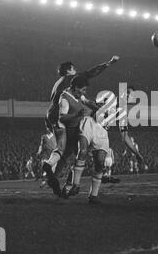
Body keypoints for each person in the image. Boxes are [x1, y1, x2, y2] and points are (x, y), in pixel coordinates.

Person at [42, 56, 120, 194]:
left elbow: (82, 99)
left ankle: (54, 176)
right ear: (69, 70)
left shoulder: (58, 84)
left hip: (51, 115)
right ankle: (62, 178)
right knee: (69, 148)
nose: (76, 71)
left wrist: (93, 106)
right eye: (74, 69)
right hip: (62, 115)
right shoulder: (72, 80)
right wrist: (108, 63)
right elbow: (91, 73)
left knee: (67, 149)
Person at [59, 76, 110, 204]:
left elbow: (88, 102)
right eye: (83, 89)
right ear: (76, 88)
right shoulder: (65, 99)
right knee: (81, 153)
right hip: (81, 126)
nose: (84, 92)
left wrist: (99, 108)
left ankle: (92, 195)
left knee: (99, 163)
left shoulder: (80, 97)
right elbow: (62, 118)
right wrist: (78, 115)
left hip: (99, 131)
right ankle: (72, 186)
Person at [36, 121, 57, 188]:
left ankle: (46, 183)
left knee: (51, 171)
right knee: (45, 169)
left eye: (49, 128)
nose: (47, 129)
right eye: (47, 128)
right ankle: (43, 182)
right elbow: (41, 145)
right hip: (45, 155)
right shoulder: (44, 137)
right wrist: (39, 151)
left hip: (53, 155)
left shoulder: (55, 136)